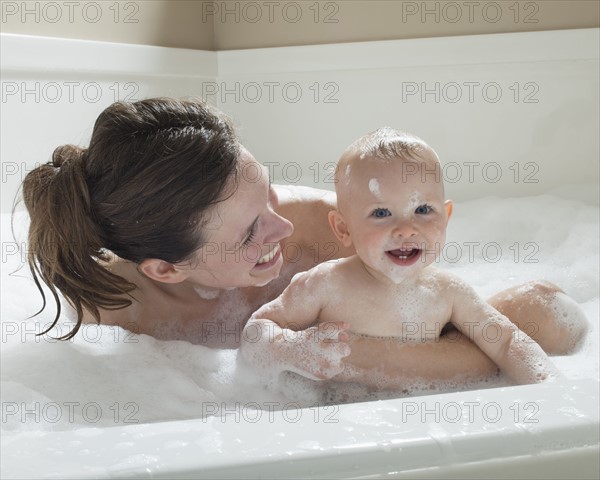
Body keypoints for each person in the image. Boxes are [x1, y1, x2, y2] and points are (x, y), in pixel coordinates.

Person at [21, 98, 587, 387]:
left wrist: (350, 359)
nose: (282, 228)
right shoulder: (111, 312)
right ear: (166, 270)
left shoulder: (329, 229)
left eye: (267, 193)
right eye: (250, 234)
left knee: (542, 311)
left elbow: (450, 322)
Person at [240, 128, 571, 389]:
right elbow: (256, 332)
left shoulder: (448, 291)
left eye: (423, 210)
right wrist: (293, 349)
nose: (406, 229)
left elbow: (507, 343)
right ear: (343, 229)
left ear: (446, 216)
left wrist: (552, 389)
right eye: (381, 213)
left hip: (427, 422)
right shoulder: (325, 284)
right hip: (340, 423)